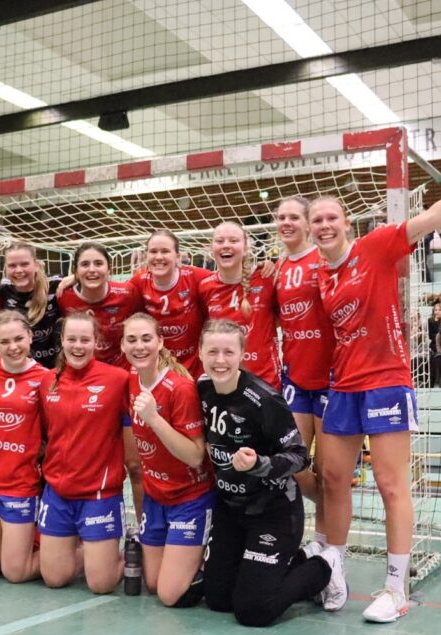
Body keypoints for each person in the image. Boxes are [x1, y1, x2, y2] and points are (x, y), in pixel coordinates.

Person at [309, 159, 441, 623]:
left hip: (385, 383)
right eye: (317, 220)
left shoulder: (374, 247)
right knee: (333, 480)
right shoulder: (322, 279)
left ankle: (396, 587)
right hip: (343, 388)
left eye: (331, 217)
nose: (324, 225)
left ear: (346, 223)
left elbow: (434, 216)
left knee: (391, 485)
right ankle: (333, 569)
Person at [196, 320, 337, 627]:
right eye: (213, 352)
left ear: (242, 354)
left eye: (229, 352)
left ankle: (322, 566)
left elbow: (299, 456)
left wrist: (259, 463)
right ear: (200, 353)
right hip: (230, 510)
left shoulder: (264, 399)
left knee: (253, 611)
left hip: (272, 511)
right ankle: (292, 562)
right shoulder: (202, 389)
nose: (220, 360)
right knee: (218, 599)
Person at [121, 312, 214, 607]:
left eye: (146, 339)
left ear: (160, 342)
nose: (139, 346)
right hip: (155, 497)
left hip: (189, 498)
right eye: (131, 340)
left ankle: (216, 562)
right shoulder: (132, 379)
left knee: (169, 594)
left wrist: (154, 418)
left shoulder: (180, 388)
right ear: (122, 345)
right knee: (152, 583)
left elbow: (196, 456)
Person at [37, 312, 133, 593]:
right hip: (57, 493)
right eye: (71, 339)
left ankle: (125, 554)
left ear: (96, 342)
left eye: (85, 340)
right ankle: (86, 551)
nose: (78, 346)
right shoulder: (48, 381)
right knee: (54, 579)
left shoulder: (118, 380)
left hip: (99, 494)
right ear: (61, 341)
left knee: (101, 584)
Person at [273, 196, 334, 554]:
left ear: (308, 223)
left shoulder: (323, 258)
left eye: (294, 217)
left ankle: (324, 544)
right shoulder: (277, 268)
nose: (287, 222)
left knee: (327, 472)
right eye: (281, 217)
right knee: (291, 463)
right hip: (295, 377)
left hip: (330, 378)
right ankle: (331, 508)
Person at [0, 311, 48, 582]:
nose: (13, 347)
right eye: (4, 341)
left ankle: (74, 549)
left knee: (15, 573)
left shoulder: (45, 378)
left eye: (18, 339)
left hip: (19, 483)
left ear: (30, 337)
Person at [198, 221, 280, 390]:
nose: (226, 245)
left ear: (246, 248)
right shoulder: (205, 287)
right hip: (224, 381)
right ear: (212, 248)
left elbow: (280, 319)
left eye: (234, 241)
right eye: (219, 241)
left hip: (266, 381)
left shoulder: (266, 277)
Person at [129, 230, 211, 379]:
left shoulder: (197, 276)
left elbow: (227, 283)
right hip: (159, 369)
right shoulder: (138, 282)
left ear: (178, 257)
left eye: (165, 251)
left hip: (197, 367)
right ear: (146, 256)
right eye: (153, 251)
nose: (159, 257)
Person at [58, 242, 142, 368]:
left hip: (121, 369)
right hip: (85, 370)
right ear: (75, 270)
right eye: (85, 264)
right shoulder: (63, 296)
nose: (92, 270)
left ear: (109, 269)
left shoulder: (127, 293)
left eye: (98, 264)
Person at [0, 243, 62, 368]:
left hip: (55, 367)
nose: (19, 270)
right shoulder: (3, 288)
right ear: (5, 268)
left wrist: (74, 277)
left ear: (36, 265)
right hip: (22, 368)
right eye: (12, 265)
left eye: (24, 264)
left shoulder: (55, 284)